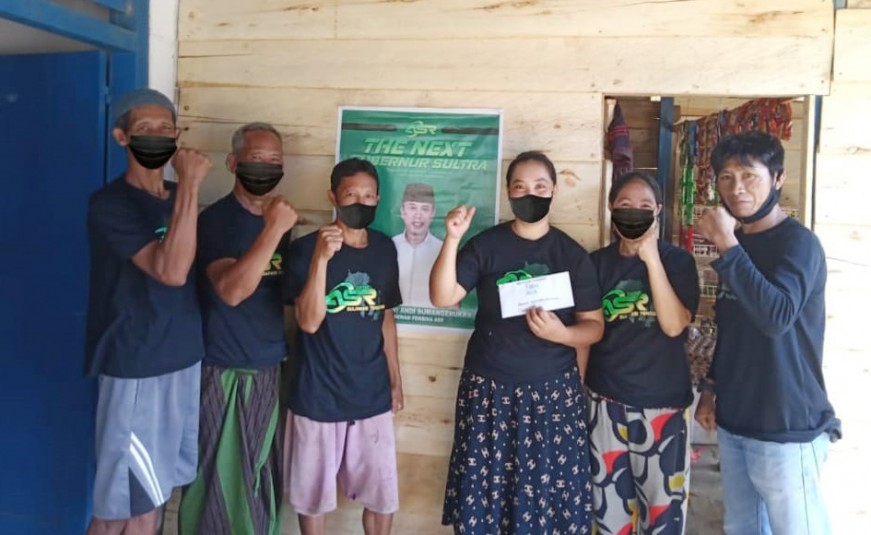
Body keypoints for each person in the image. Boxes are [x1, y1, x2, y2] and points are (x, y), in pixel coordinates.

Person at [431, 150, 605, 534]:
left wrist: (562, 335)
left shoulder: (571, 255)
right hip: (488, 392)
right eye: (520, 187)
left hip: (552, 396)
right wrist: (452, 239)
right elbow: (442, 296)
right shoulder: (486, 245)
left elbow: (594, 327)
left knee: (544, 496)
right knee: (487, 494)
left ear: (554, 190)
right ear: (509, 192)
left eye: (540, 186)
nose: (530, 194)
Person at [695, 131, 839, 535]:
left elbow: (775, 317)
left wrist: (726, 243)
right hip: (735, 420)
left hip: (787, 425)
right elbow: (731, 329)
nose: (736, 188)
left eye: (749, 175)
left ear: (777, 178)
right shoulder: (737, 244)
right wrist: (710, 390)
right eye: (726, 177)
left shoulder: (799, 244)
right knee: (742, 527)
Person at [84, 88, 211, 534]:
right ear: (122, 137)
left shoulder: (178, 197)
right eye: (143, 128)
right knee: (123, 507)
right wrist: (191, 185)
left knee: (155, 496)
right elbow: (170, 271)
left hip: (182, 358)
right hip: (136, 363)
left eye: (165, 128)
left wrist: (184, 192)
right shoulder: (110, 204)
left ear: (177, 135)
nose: (156, 136)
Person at [178, 122, 297, 534]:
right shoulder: (216, 221)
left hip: (267, 367)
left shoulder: (280, 222)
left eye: (274, 161)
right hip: (222, 369)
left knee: (258, 480)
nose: (266, 168)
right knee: (215, 484)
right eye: (256, 159)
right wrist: (274, 229)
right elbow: (231, 291)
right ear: (233, 163)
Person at [283, 158, 403, 535]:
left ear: (378, 199)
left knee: (382, 498)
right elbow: (307, 321)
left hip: (371, 392)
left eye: (369, 196)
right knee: (313, 499)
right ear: (333, 197)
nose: (360, 202)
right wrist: (321, 259)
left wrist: (395, 381)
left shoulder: (384, 249)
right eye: (351, 194)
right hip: (317, 393)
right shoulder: (305, 249)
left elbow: (385, 316)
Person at [586, 172, 700, 535]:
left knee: (662, 517)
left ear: (658, 211)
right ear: (610, 208)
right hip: (605, 404)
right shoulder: (595, 264)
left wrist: (651, 260)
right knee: (609, 515)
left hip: (664, 409)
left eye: (644, 206)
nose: (634, 212)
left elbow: (674, 325)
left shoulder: (678, 262)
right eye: (625, 204)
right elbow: (587, 333)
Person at [392, 182, 443, 307]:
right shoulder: (389, 246)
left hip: (433, 319)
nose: (418, 215)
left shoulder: (443, 250)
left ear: (433, 213)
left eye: (425, 209)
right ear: (402, 211)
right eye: (412, 207)